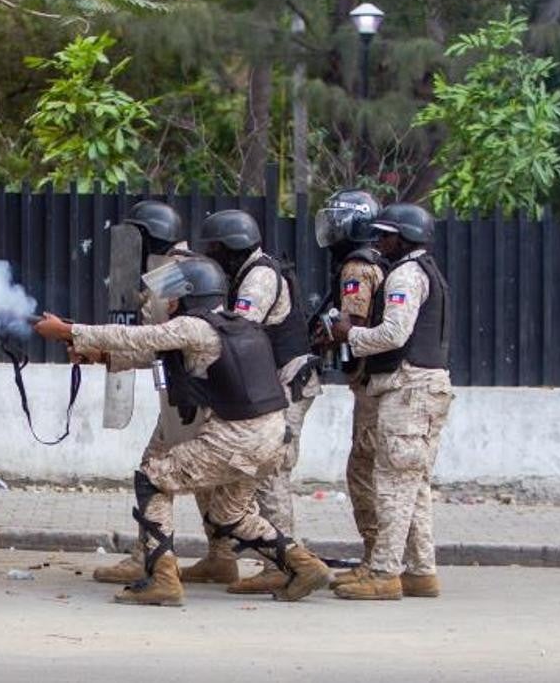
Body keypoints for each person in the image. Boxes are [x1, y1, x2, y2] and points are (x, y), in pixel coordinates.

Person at [35, 257, 333, 606]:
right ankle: (305, 565)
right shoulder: (235, 324)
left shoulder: (195, 327)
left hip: (237, 437)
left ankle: (163, 578)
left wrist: (70, 331)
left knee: (153, 478)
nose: (169, 305)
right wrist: (100, 357)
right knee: (230, 515)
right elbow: (161, 356)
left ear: (193, 295)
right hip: (269, 435)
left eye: (174, 298)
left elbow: (138, 337)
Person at [181, 209, 322, 594]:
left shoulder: (259, 277)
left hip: (285, 385)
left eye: (213, 248)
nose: (210, 255)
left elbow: (237, 328)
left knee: (269, 474)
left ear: (230, 247)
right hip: (265, 388)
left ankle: (282, 564)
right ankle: (222, 558)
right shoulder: (245, 271)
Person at [326, 204, 453, 600]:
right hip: (425, 385)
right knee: (413, 484)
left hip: (408, 386)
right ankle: (420, 570)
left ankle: (383, 573)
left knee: (393, 482)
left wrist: (350, 335)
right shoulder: (425, 270)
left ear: (403, 238)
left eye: (385, 235)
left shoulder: (406, 275)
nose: (378, 242)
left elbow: (395, 333)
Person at [88, 200, 200, 584]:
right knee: (212, 485)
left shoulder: (167, 274)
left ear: (147, 237)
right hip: (203, 393)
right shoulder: (184, 266)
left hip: (193, 396)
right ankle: (221, 557)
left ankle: (148, 559)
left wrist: (102, 350)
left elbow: (158, 343)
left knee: (152, 471)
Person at [309, 189, 387, 582]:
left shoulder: (356, 267)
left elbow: (350, 326)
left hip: (374, 384)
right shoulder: (381, 259)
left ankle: (377, 558)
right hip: (380, 382)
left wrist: (326, 335)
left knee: (363, 470)